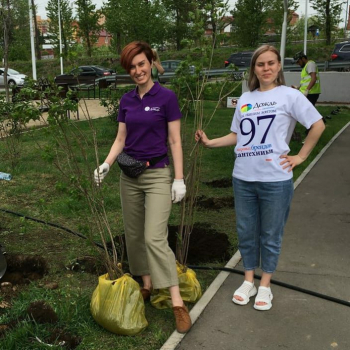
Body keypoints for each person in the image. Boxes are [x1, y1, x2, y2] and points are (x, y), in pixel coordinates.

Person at [195, 45, 325, 311]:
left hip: (275, 180)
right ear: (253, 69)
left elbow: (318, 125)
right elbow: (237, 135)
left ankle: (265, 284)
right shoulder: (246, 99)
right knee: (246, 232)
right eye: (260, 64)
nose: (266, 68)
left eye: (271, 63)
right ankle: (248, 279)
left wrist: (300, 157)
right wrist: (211, 142)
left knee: (270, 233)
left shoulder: (290, 96)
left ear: (278, 66)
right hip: (243, 178)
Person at [94, 41, 191, 333]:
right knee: (134, 234)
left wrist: (179, 178)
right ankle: (146, 283)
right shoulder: (126, 100)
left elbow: (174, 141)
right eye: (132, 67)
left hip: (157, 174)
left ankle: (176, 302)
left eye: (141, 64)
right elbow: (120, 138)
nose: (137, 71)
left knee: (154, 237)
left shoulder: (166, 97)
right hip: (129, 176)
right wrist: (107, 164)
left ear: (151, 63)